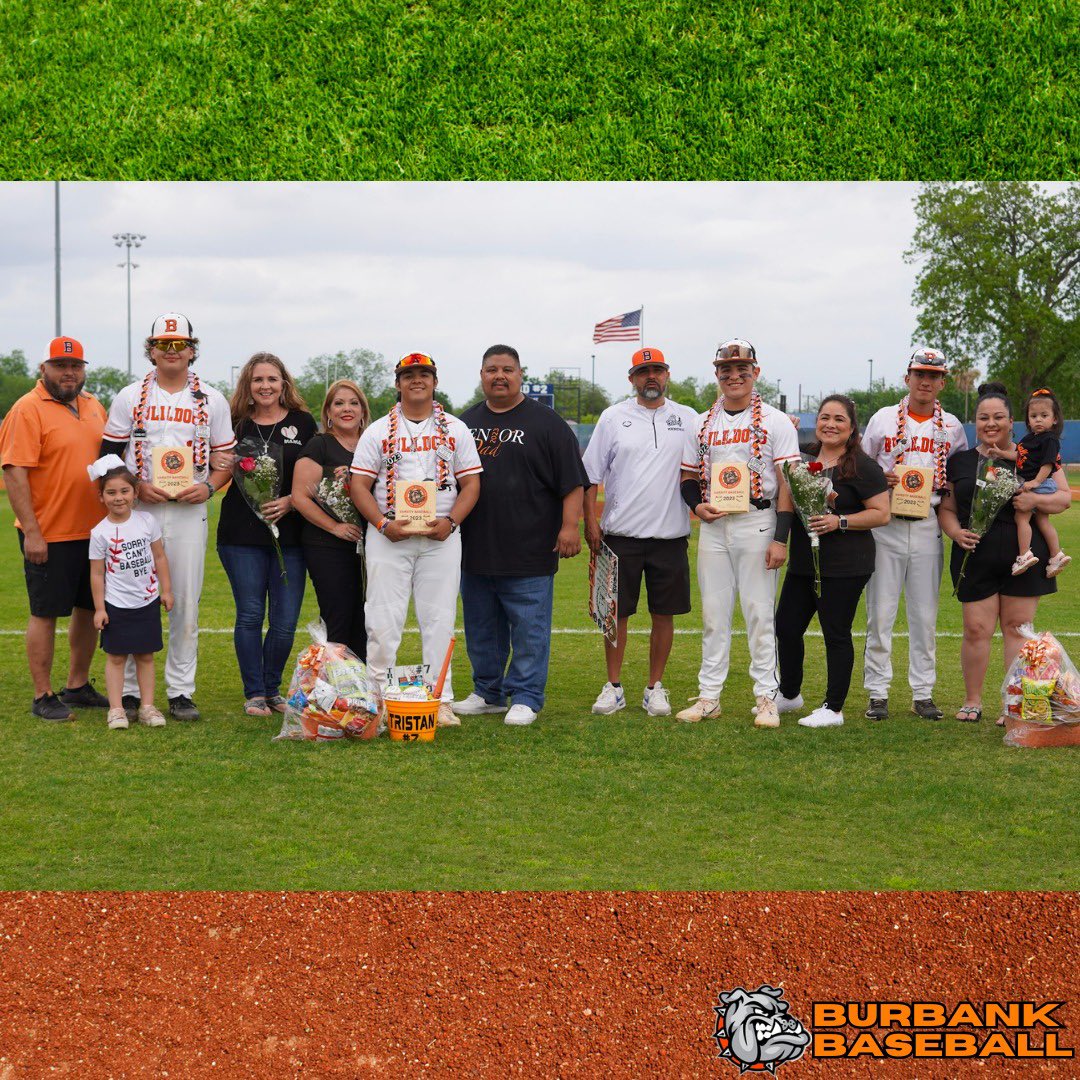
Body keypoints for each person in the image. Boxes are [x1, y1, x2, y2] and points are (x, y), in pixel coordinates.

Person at [100, 313, 234, 721]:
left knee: (185, 602)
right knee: (127, 595)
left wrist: (210, 487)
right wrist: (136, 486)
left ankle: (180, 691)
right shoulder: (129, 396)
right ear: (151, 349)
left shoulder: (212, 398)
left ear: (192, 349)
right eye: (163, 344)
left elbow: (225, 457)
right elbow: (106, 455)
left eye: (179, 345)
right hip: (139, 511)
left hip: (189, 511)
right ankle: (125, 691)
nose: (171, 351)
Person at [455, 345, 588, 727]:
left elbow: (572, 482)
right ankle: (488, 692)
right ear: (481, 374)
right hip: (475, 548)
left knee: (529, 630)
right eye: (491, 369)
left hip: (530, 547)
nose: (499, 376)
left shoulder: (547, 422)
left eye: (507, 369)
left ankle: (526, 696)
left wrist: (568, 527)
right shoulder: (464, 424)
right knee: (481, 628)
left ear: (519, 374)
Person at [349, 352, 482, 727]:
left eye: (424, 374)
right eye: (409, 376)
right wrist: (379, 523)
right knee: (382, 618)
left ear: (435, 382)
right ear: (398, 384)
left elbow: (471, 483)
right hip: (389, 535)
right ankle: (379, 699)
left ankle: (439, 699)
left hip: (441, 536)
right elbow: (358, 483)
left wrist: (452, 521)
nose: (417, 381)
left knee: (438, 619)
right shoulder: (377, 429)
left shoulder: (455, 428)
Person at [677, 338, 801, 728]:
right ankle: (709, 696)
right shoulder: (701, 421)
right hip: (715, 525)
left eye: (742, 370)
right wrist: (697, 506)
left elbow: (787, 484)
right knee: (714, 614)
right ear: (717, 374)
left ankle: (766, 696)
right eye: (726, 370)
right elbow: (688, 477)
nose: (734, 376)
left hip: (757, 521)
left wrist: (780, 538)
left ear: (755, 373)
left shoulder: (777, 421)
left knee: (759, 612)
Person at [938, 382, 1071, 724]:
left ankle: (1010, 704)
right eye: (983, 418)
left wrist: (1035, 500)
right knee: (976, 629)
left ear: (1013, 422)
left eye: (999, 417)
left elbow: (1063, 498)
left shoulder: (1035, 455)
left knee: (1016, 628)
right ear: (975, 422)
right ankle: (972, 700)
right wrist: (955, 533)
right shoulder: (960, 462)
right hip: (975, 554)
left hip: (1024, 557)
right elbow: (948, 508)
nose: (991, 423)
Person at [582, 347, 699, 718]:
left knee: (664, 614)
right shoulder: (613, 417)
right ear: (631, 379)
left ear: (667, 375)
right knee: (615, 615)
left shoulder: (689, 418)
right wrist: (590, 522)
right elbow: (590, 475)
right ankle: (613, 686)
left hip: (670, 535)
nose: (651, 377)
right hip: (620, 535)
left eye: (658, 370)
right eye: (643, 371)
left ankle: (655, 687)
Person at [0, 336, 110, 720]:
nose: (69, 373)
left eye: (76, 366)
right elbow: (14, 473)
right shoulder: (27, 408)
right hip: (48, 532)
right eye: (60, 366)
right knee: (45, 612)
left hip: (95, 532)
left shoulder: (94, 405)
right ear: (43, 369)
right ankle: (43, 694)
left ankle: (77, 684)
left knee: (87, 607)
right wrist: (32, 531)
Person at [859, 348, 967, 721]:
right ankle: (877, 692)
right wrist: (879, 477)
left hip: (927, 524)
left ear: (942, 382)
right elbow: (859, 464)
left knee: (924, 615)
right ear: (907, 378)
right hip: (885, 524)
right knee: (881, 612)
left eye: (933, 375)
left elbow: (957, 477)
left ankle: (923, 692)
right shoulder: (883, 419)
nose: (925, 380)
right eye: (919, 373)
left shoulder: (952, 425)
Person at [775, 396, 890, 728]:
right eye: (825, 417)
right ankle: (790, 693)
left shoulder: (862, 465)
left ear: (852, 427)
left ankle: (833, 708)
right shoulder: (802, 459)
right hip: (803, 561)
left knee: (835, 633)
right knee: (786, 626)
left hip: (845, 565)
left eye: (839, 419)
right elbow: (785, 500)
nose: (830, 424)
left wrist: (839, 522)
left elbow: (881, 514)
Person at [217, 352, 317, 715]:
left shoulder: (303, 423)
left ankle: (273, 688)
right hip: (240, 536)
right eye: (258, 380)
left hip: (290, 535)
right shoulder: (234, 423)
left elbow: (315, 471)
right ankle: (255, 693)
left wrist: (292, 500)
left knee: (286, 619)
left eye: (272, 379)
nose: (265, 386)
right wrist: (217, 463)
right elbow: (218, 466)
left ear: (283, 384)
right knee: (249, 614)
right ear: (248, 385)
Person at [87, 457, 173, 730]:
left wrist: (166, 590)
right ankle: (116, 709)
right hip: (116, 605)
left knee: (146, 656)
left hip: (146, 601)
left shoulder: (146, 521)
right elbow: (97, 573)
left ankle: (147, 706)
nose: (118, 498)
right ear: (101, 497)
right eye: (111, 492)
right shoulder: (99, 533)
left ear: (136, 493)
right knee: (116, 657)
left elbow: (159, 557)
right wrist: (100, 608)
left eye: (124, 491)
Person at [292, 379, 371, 660]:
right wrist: (335, 527)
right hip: (327, 545)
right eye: (338, 403)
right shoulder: (320, 445)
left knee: (367, 618)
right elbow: (300, 496)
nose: (346, 409)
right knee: (339, 615)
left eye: (353, 403)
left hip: (372, 544)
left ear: (363, 409)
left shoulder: (374, 443)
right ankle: (338, 689)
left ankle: (364, 688)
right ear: (328, 412)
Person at [991, 388, 1069, 578]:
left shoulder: (1050, 439)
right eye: (1033, 416)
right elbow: (1020, 455)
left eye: (1044, 415)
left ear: (1055, 419)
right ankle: (1056, 555)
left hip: (1038, 484)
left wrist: (1035, 482)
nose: (1038, 420)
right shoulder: (1029, 439)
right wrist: (1002, 454)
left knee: (1021, 518)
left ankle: (1024, 554)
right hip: (1035, 483)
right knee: (1042, 520)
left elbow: (1048, 464)